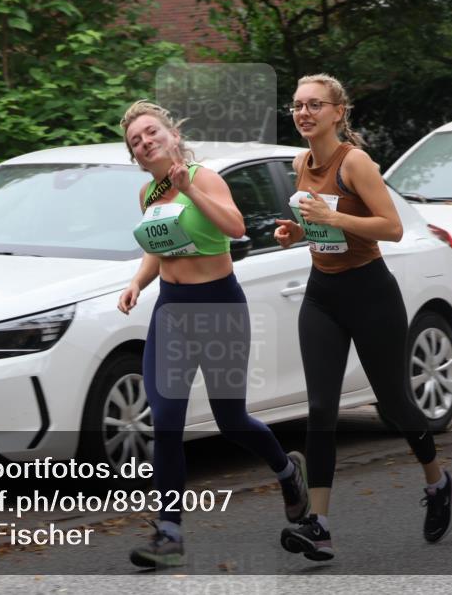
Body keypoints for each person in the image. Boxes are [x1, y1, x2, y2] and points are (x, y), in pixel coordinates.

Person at [273, 74, 452, 560]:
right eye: (297, 105)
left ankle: (438, 482)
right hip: (322, 293)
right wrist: (299, 232)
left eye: (315, 104)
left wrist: (336, 219)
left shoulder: (354, 162)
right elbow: (322, 225)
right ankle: (320, 524)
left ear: (338, 112)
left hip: (371, 292)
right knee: (320, 409)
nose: (304, 113)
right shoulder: (300, 162)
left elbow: (391, 228)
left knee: (395, 404)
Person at [117, 100, 309, 569]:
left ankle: (288, 472)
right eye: (136, 142)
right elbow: (159, 249)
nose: (145, 142)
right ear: (137, 157)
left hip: (219, 306)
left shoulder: (203, 177)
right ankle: (169, 532)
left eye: (150, 132)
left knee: (230, 420)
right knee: (165, 421)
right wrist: (137, 283)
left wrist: (190, 191)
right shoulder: (148, 194)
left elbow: (235, 227)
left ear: (172, 136)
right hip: (172, 312)